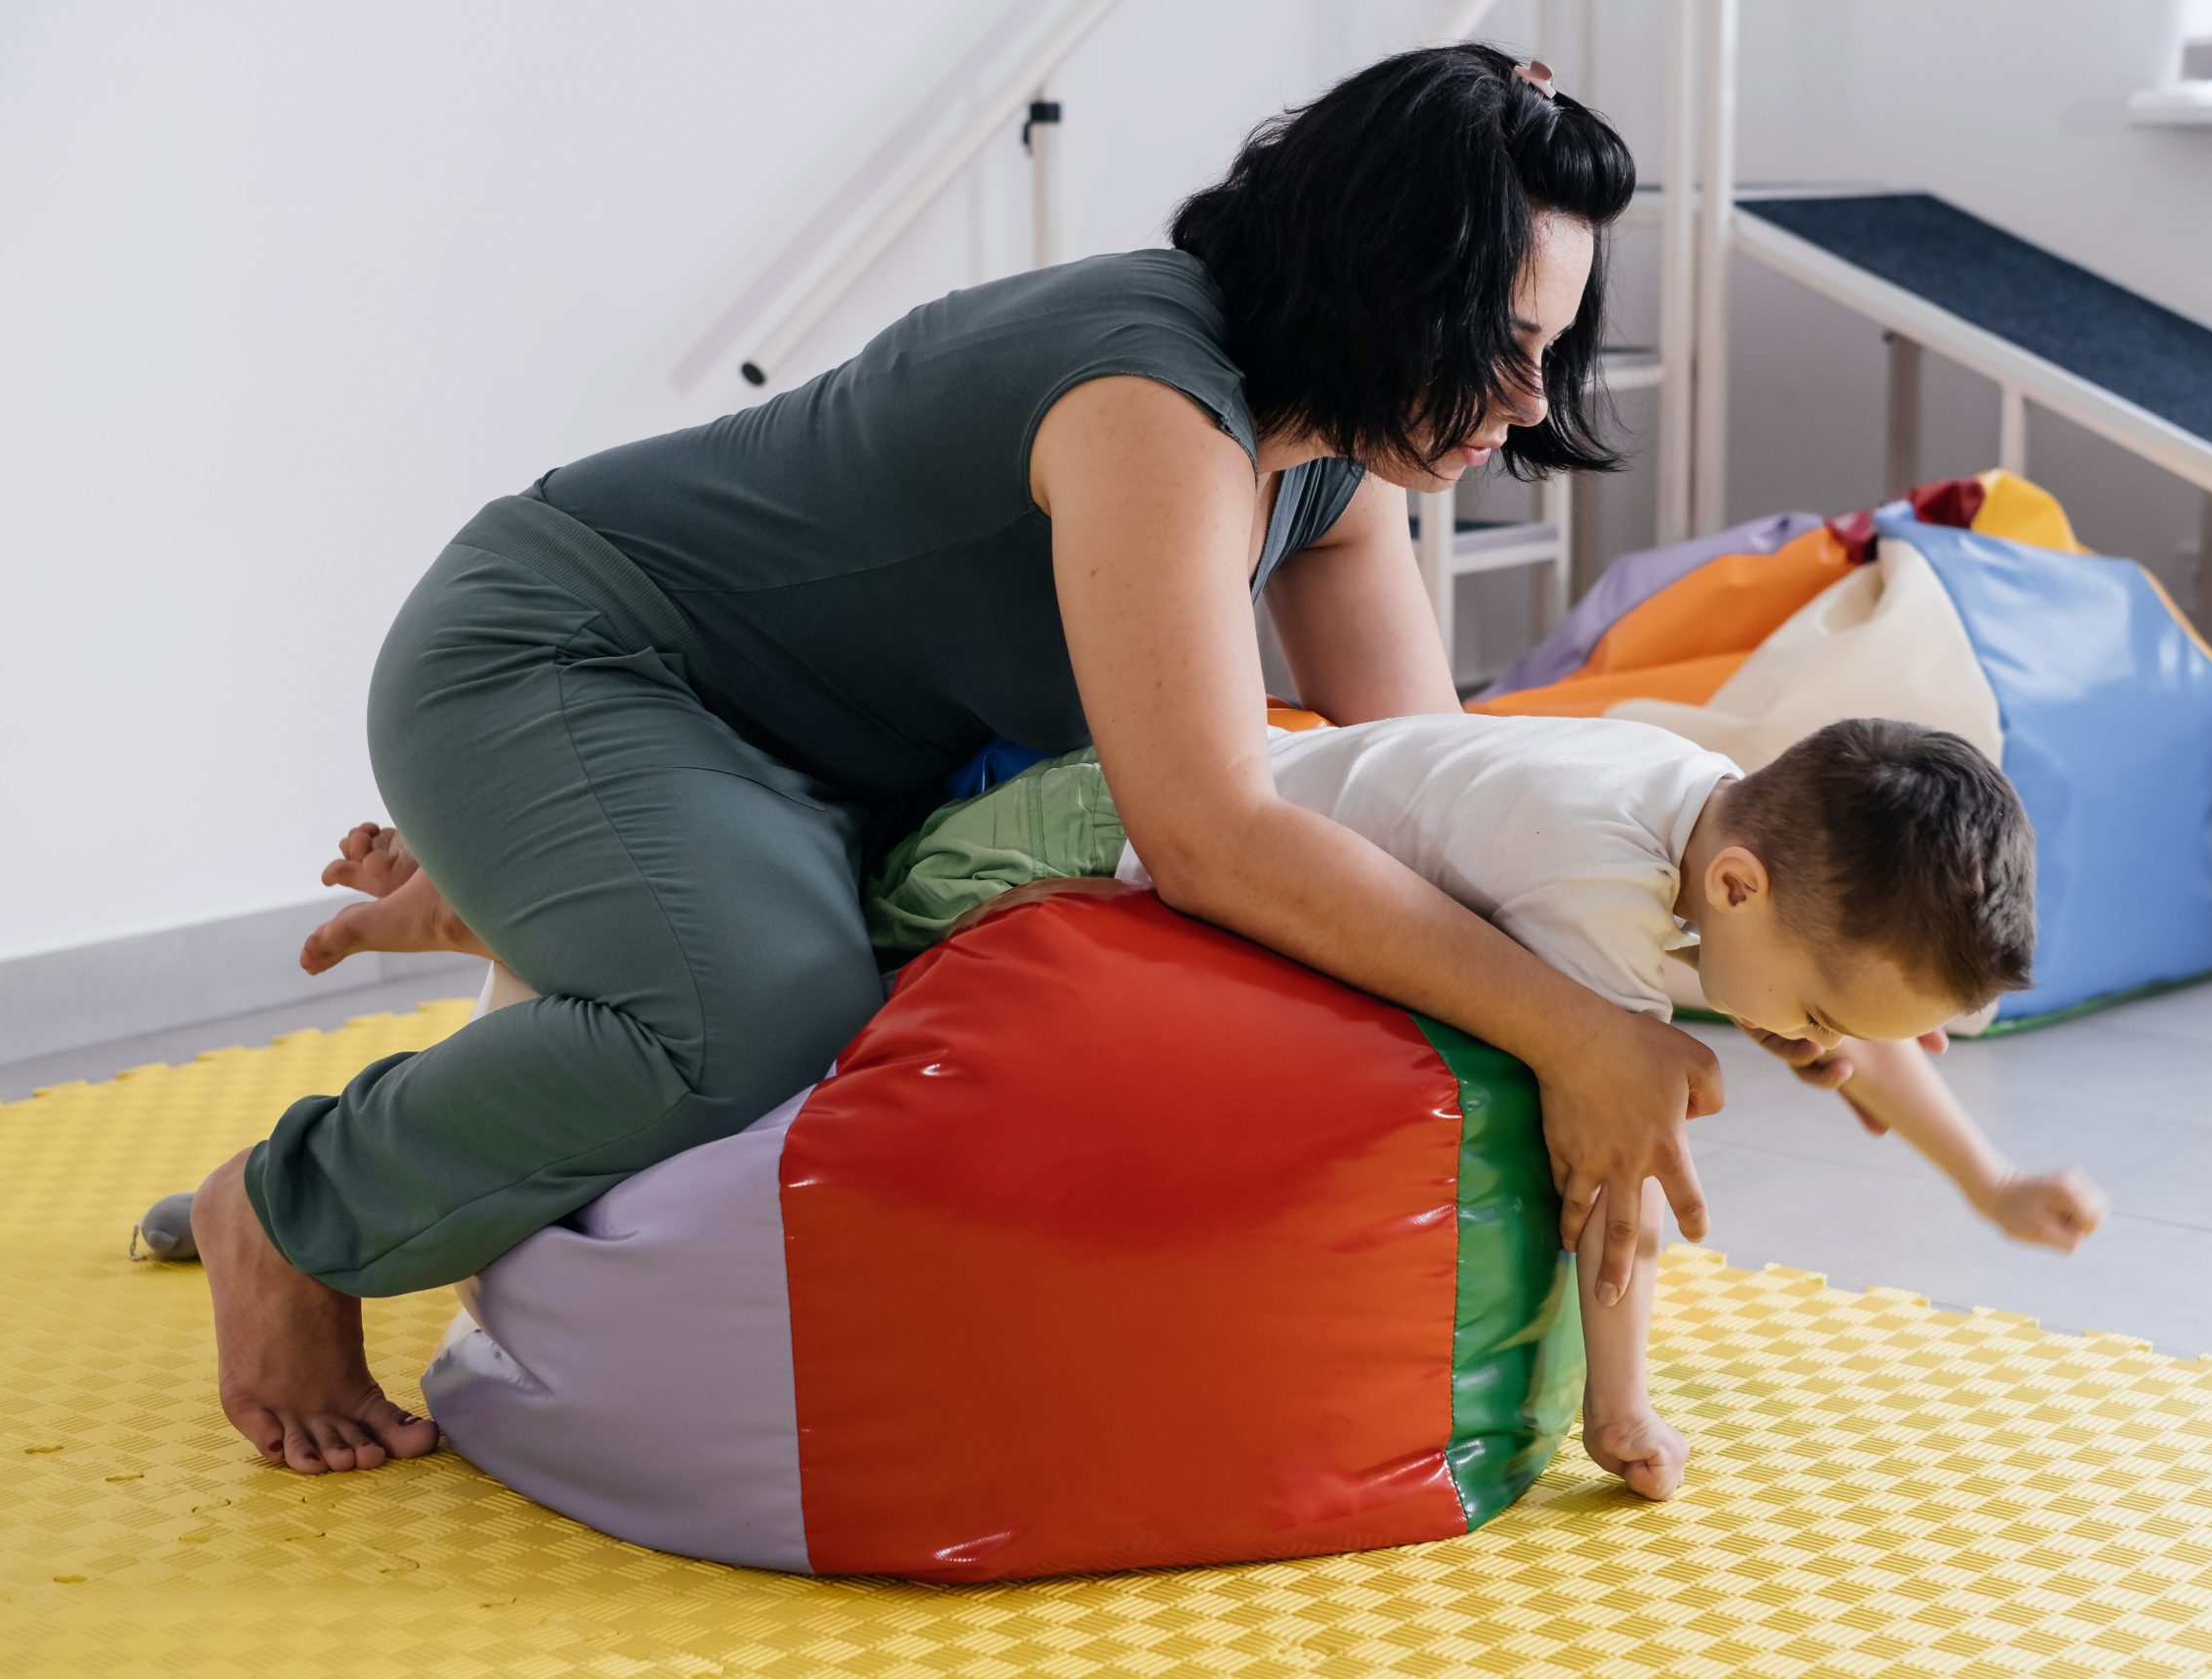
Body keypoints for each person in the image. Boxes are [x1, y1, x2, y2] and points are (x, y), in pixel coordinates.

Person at [189, 45, 1730, 1476]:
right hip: (572, 656)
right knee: (768, 1013)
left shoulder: (1332, 457)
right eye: (1499, 342)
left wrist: (1752, 962)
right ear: (1379, 284)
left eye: (1550, 348)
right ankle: (291, 1212)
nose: (1530, 400)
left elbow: (1425, 793)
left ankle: (516, 903)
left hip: (829, 775)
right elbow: (1212, 834)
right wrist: (1580, 1037)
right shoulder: (1151, 408)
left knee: (969, 928)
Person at [319, 711, 2111, 1502]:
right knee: (806, 978)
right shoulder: (1591, 890)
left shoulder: (1733, 825)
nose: (1812, 1054)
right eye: (1804, 1014)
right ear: (1729, 899)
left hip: (1239, 803)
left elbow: (1862, 1032)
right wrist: (1616, 1411)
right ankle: (494, 900)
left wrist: (1988, 1183)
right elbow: (1607, 1177)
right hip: (1089, 841)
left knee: (818, 917)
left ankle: (488, 901)